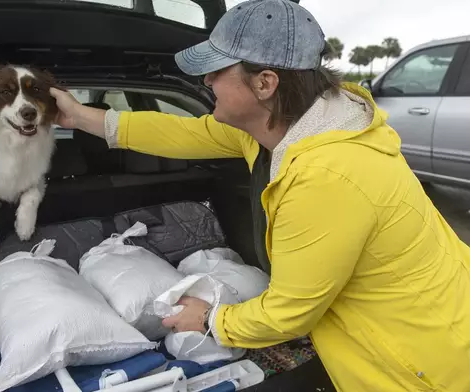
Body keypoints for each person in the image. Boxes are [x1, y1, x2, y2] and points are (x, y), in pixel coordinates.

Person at [49, 0, 470, 390]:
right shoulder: (288, 125)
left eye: (216, 70)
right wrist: (81, 117)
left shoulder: (327, 176)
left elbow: (290, 312)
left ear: (265, 83)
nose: (205, 80)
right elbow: (185, 131)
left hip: (420, 363)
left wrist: (212, 319)